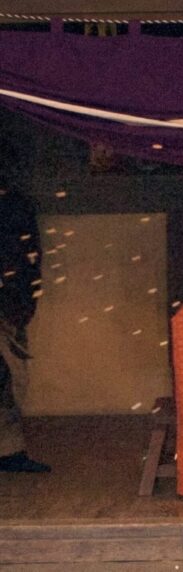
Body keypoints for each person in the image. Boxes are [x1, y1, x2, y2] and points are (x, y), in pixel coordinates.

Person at [0, 186, 50, 473]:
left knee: (9, 379)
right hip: (11, 302)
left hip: (9, 304)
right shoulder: (15, 205)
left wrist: (21, 303)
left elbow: (27, 257)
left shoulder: (14, 205)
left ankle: (8, 451)